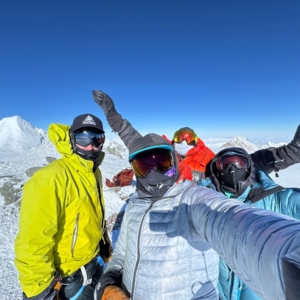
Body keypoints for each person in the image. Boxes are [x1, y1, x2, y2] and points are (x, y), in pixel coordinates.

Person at [95, 132, 300, 300]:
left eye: (163, 164)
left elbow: (229, 220)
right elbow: (121, 253)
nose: (153, 174)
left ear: (174, 164)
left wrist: (287, 253)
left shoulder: (192, 198)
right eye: (144, 167)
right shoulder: (134, 204)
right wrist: (110, 279)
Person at [92, 89, 300, 182]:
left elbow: (250, 163)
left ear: (196, 142)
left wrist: (294, 151)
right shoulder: (160, 153)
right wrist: (112, 114)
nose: (183, 141)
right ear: (172, 140)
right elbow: (131, 136)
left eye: (188, 138)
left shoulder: (210, 161)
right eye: (179, 137)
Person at [14, 114, 112, 300]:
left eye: (97, 139)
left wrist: (103, 242)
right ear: (72, 140)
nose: (91, 146)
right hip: (70, 276)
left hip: (95, 262)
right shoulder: (50, 178)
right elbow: (32, 240)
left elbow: (91, 214)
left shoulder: (93, 171)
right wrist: (38, 291)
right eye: (83, 139)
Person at [198, 147, 300, 300]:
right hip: (217, 288)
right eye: (224, 164)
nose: (232, 169)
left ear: (249, 168)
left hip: (257, 287)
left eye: (239, 163)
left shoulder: (272, 198)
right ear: (216, 170)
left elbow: (293, 201)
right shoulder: (204, 204)